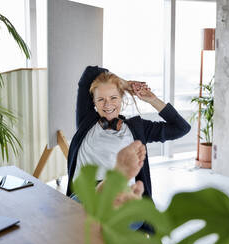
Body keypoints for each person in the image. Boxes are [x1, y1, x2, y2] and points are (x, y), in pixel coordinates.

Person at [67, 65, 191, 201]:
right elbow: (90, 72)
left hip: (122, 194)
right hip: (86, 194)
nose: (107, 104)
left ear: (122, 98)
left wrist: (152, 100)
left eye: (113, 98)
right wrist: (125, 84)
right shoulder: (87, 121)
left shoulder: (137, 128)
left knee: (125, 207)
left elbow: (181, 128)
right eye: (101, 99)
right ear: (94, 103)